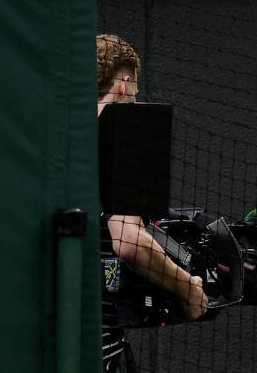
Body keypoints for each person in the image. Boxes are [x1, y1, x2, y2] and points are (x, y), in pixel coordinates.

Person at [96, 34, 207, 372]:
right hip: (98, 345)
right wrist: (188, 287)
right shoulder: (128, 135)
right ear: (124, 82)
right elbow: (129, 242)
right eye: (136, 87)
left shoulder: (52, 135)